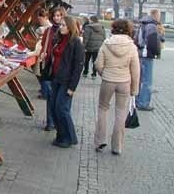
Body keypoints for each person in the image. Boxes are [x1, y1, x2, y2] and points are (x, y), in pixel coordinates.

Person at [94, 19, 140, 155]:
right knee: (121, 113)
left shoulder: (106, 44)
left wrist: (104, 73)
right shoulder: (131, 47)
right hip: (124, 82)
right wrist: (134, 90)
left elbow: (98, 64)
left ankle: (100, 141)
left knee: (103, 109)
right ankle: (117, 146)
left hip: (108, 80)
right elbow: (136, 70)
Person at [47, 16, 84, 148]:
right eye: (60, 25)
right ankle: (60, 135)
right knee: (53, 107)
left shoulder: (76, 43)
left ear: (70, 27)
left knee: (62, 108)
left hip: (66, 81)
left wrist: (72, 87)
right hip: (56, 78)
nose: (61, 27)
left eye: (64, 25)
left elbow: (78, 66)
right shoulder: (58, 39)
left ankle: (69, 137)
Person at [40, 7, 66, 131]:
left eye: (59, 15)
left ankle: (58, 121)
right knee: (50, 96)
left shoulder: (66, 31)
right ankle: (50, 122)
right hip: (49, 66)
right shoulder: (49, 31)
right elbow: (43, 44)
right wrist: (43, 53)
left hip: (61, 68)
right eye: (55, 15)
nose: (56, 18)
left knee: (59, 97)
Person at [134, 9, 161, 111]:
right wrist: (156, 53)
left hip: (140, 53)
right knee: (147, 80)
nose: (159, 18)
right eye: (158, 15)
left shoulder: (142, 25)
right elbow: (153, 43)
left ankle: (137, 100)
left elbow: (136, 39)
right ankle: (143, 103)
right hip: (147, 55)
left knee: (140, 79)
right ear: (155, 15)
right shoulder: (152, 26)